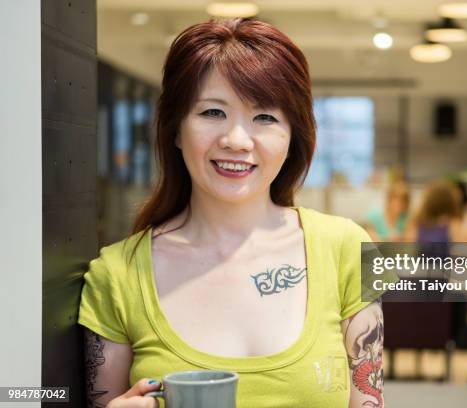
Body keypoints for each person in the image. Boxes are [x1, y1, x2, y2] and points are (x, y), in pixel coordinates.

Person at [78, 18, 384, 408]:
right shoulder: (116, 275)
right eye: (212, 113)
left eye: (265, 118)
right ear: (174, 129)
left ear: (293, 137)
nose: (236, 140)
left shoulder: (348, 248)